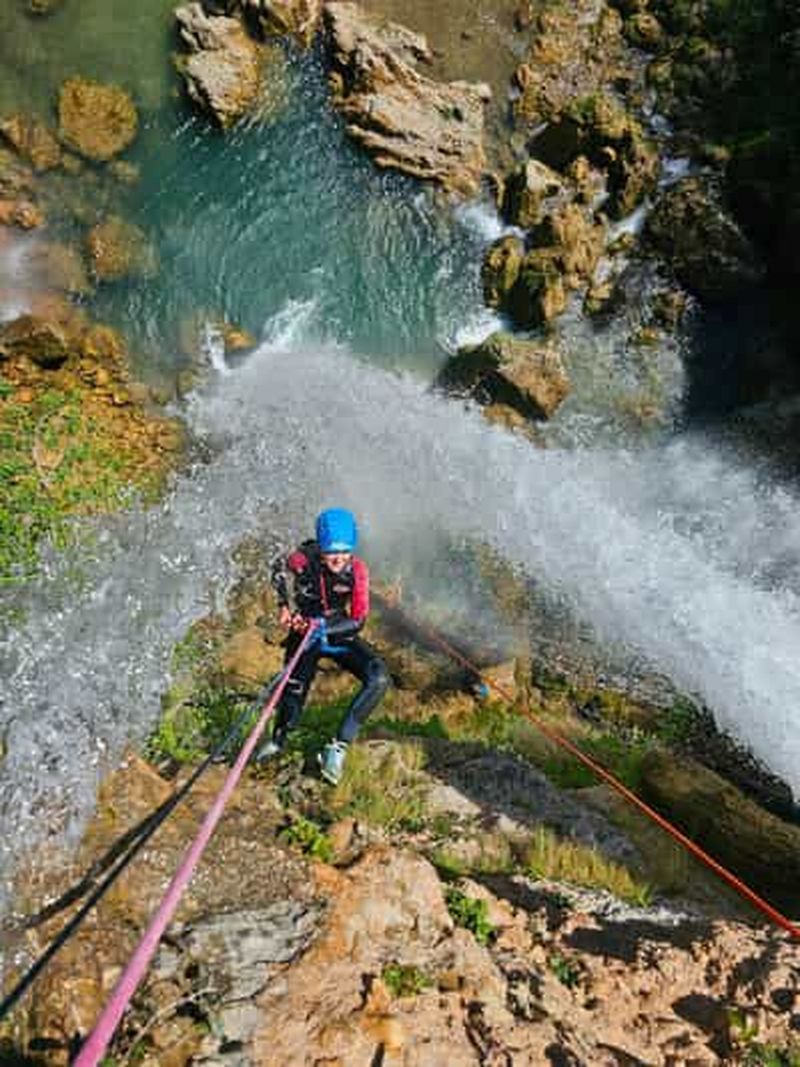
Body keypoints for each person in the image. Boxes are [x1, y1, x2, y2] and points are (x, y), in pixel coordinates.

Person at [256, 507, 390, 784]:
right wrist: (283, 605)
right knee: (293, 693)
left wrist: (323, 628)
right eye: (331, 552)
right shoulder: (302, 560)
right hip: (305, 637)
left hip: (338, 635)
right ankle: (277, 742)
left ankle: (337, 747)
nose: (338, 558)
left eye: (345, 551)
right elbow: (277, 567)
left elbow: (357, 620)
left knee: (378, 678)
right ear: (320, 548)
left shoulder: (357, 570)